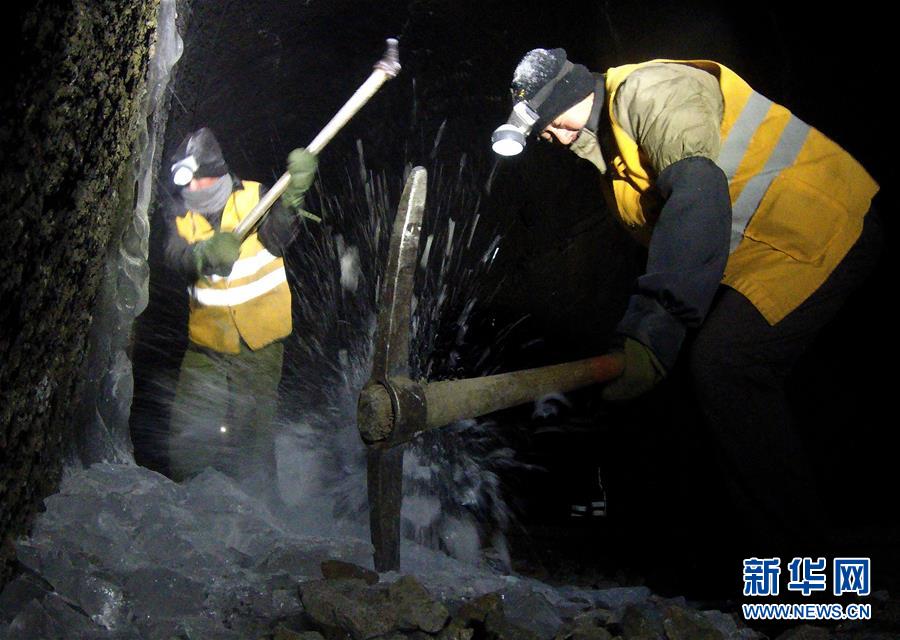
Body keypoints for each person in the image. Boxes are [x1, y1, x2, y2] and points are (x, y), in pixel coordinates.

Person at [492, 49, 882, 584]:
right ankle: (703, 563)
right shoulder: (608, 157)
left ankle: (812, 585)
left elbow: (697, 196)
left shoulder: (653, 94)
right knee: (691, 384)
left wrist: (653, 331)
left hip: (819, 225)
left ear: (563, 101)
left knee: (727, 366)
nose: (543, 138)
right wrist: (630, 335)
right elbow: (661, 249)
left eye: (543, 124)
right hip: (758, 258)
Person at [163, 127, 318, 482]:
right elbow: (174, 256)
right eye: (186, 183)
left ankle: (260, 511)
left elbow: (278, 239)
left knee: (252, 437)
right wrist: (202, 255)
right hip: (207, 345)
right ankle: (187, 508)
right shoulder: (179, 213)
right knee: (190, 433)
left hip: (259, 343)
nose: (192, 190)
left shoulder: (256, 196)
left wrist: (293, 197)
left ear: (216, 174)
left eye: (198, 181)